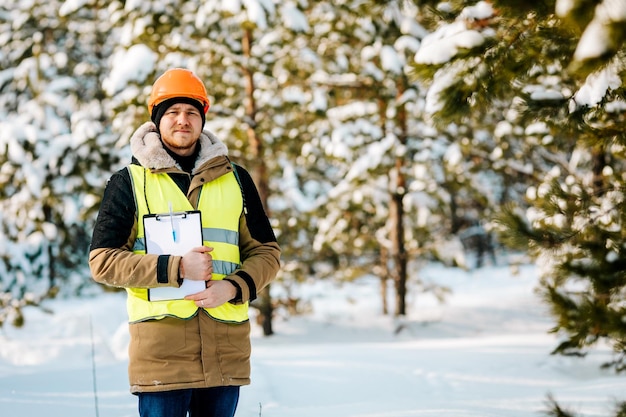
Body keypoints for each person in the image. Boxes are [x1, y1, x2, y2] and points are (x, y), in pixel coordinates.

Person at [88, 68, 281, 417]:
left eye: (192, 112)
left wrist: (234, 288)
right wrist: (174, 268)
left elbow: (267, 253)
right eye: (173, 112)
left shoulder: (236, 180)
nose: (183, 120)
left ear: (202, 119)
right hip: (162, 356)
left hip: (224, 351)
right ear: (157, 119)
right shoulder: (128, 182)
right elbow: (103, 261)